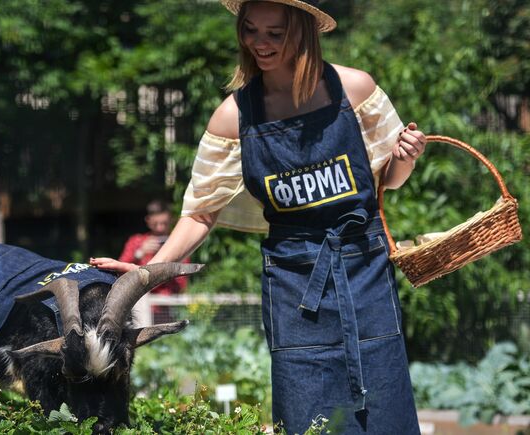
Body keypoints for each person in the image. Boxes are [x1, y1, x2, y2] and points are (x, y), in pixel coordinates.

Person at [91, 1, 427, 433]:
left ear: (303, 31)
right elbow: (200, 212)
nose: (260, 44)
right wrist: (143, 275)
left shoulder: (353, 89)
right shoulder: (235, 116)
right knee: (307, 413)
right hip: (292, 280)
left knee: (384, 407)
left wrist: (408, 158)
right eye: (250, 31)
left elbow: (391, 181)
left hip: (365, 267)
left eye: (275, 33)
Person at [118, 200, 189, 324]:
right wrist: (140, 253)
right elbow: (119, 270)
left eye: (164, 223)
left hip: (166, 308)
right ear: (148, 221)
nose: (160, 228)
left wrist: (171, 259)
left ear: (171, 220)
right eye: (156, 224)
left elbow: (182, 283)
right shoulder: (136, 241)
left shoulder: (178, 245)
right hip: (136, 308)